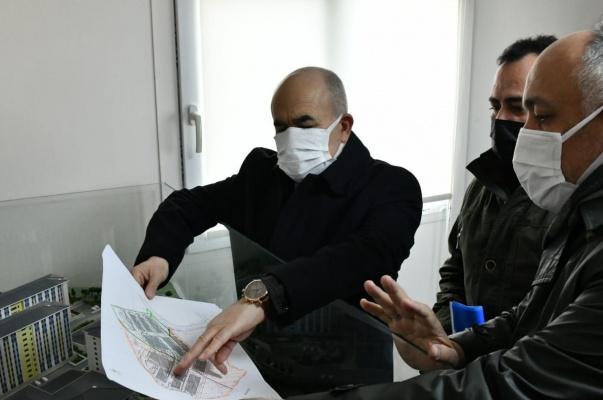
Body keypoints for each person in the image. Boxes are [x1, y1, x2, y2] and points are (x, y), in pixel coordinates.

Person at [282, 24, 603, 399]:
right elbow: (526, 312)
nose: (521, 127)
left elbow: (515, 382)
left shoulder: (565, 205)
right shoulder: (560, 202)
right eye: (497, 107)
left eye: (540, 115)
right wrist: (456, 345)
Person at [132, 67, 423, 376]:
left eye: (305, 124)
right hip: (255, 359)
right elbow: (191, 204)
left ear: (344, 127)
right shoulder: (262, 174)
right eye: (281, 127)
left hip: (343, 371)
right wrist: (159, 255)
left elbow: (362, 257)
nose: (291, 138)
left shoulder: (391, 186)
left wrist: (267, 295)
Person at [433, 35, 557, 334]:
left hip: (527, 361)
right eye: (495, 107)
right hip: (467, 357)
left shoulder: (568, 192)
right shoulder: (482, 184)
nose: (501, 119)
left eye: (517, 107)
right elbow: (456, 270)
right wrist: (445, 332)